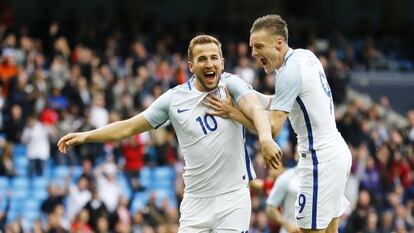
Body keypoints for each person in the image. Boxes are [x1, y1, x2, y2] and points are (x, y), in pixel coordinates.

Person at [58, 34, 282, 232]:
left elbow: (255, 108)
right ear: (191, 66)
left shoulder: (231, 84)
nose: (209, 63)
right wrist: (86, 135)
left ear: (222, 62)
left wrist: (264, 138)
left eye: (214, 57)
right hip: (195, 201)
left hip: (233, 198)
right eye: (202, 59)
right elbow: (129, 126)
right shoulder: (174, 100)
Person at [205, 15, 352, 233]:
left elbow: (272, 128)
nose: (254, 53)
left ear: (279, 43)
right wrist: (246, 94)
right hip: (336, 153)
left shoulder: (288, 73)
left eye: (259, 46)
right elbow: (283, 102)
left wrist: (234, 113)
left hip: (318, 160)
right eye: (252, 47)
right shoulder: (305, 56)